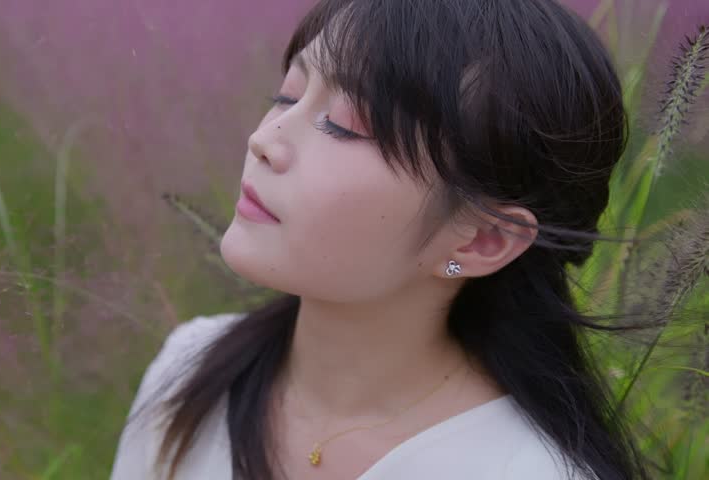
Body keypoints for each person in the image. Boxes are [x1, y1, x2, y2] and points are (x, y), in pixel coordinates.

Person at [110, 0, 650, 478]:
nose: (265, 140)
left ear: (481, 240)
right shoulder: (190, 369)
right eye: (287, 95)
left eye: (344, 126)